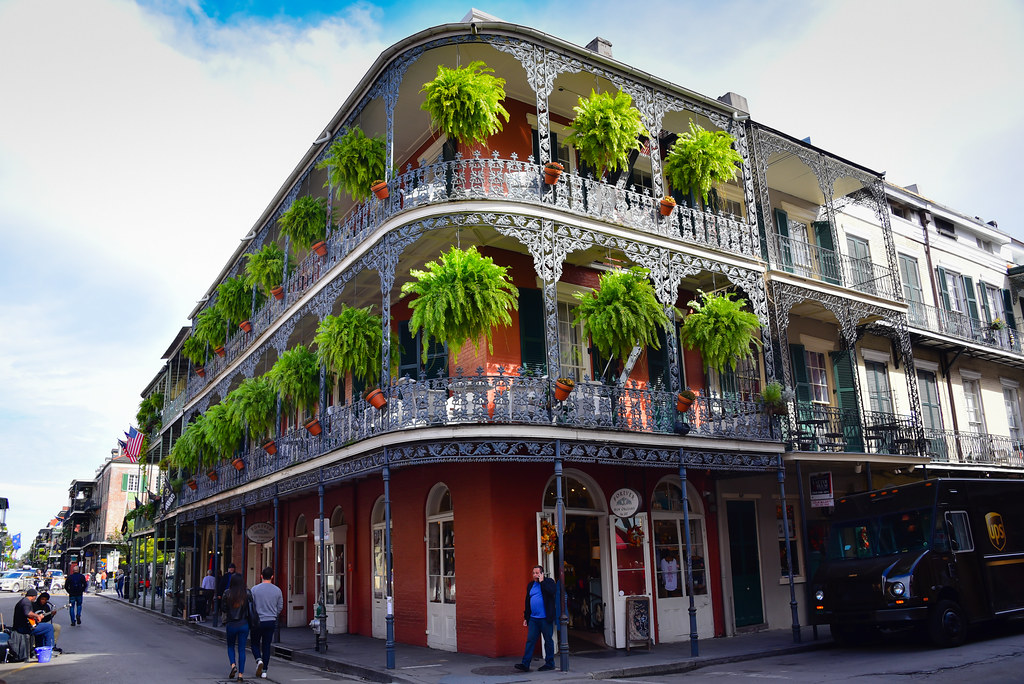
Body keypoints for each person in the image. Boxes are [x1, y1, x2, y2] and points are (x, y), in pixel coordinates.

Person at [515, 565, 557, 672]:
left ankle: (550, 663)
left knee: (548, 641)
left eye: (537, 573)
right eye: (533, 573)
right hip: (533, 619)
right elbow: (527, 602)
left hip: (545, 618)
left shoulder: (549, 582)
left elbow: (552, 592)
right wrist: (526, 617)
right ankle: (525, 664)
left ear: (542, 573)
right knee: (530, 641)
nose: (535, 575)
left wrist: (542, 582)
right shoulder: (530, 585)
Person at [250, 566, 284, 679]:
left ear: (261, 576)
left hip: (258, 620)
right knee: (266, 645)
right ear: (272, 577)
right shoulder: (277, 590)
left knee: (254, 643)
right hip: (271, 620)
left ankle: (258, 660)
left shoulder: (254, 589)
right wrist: (274, 614)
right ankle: (264, 671)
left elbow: (251, 605)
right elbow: (280, 606)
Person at [221, 574, 251, 681]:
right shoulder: (247, 593)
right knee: (242, 649)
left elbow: (223, 608)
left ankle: (233, 665)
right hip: (243, 624)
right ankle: (241, 675)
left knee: (231, 646)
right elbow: (250, 608)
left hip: (231, 624)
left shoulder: (227, 593)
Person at [13, 589, 55, 654]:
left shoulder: (23, 601)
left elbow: (27, 616)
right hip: (24, 628)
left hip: (23, 626)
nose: (35, 599)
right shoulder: (26, 602)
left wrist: (35, 619)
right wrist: (37, 616)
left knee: (43, 628)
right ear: (33, 596)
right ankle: (49, 649)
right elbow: (28, 613)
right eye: (35, 597)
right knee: (49, 627)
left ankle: (39, 648)